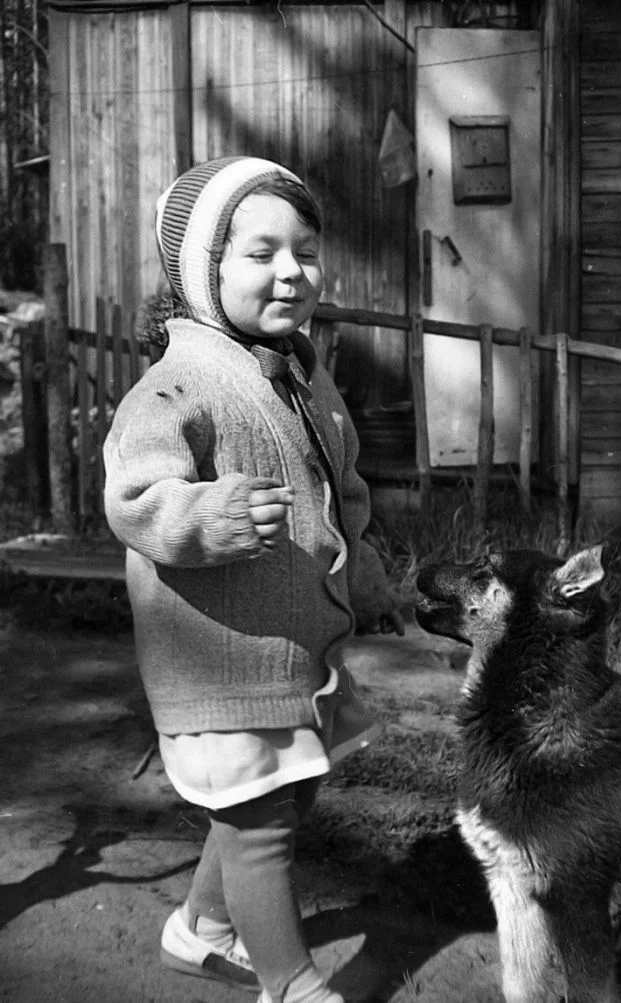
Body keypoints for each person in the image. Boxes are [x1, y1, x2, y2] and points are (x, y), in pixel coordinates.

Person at [102, 156, 404, 1003]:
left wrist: (363, 569)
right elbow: (135, 499)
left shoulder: (305, 373)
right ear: (203, 270)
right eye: (261, 252)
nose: (292, 271)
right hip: (216, 653)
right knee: (260, 820)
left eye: (305, 250)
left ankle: (199, 928)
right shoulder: (177, 387)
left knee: (280, 794)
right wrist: (209, 516)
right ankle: (293, 984)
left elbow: (341, 489)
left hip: (298, 647)